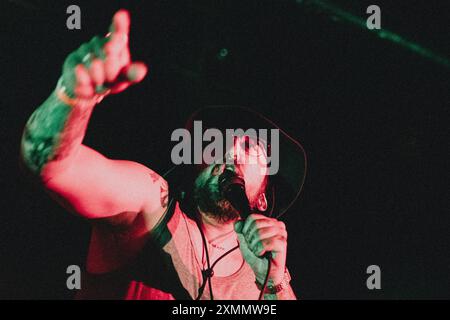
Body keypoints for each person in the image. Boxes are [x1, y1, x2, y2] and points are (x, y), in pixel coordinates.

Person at [20, 10, 305, 300]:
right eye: (223, 142)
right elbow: (51, 166)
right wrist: (72, 95)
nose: (232, 150)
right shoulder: (152, 203)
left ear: (263, 199)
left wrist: (273, 283)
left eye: (251, 148)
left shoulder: (265, 277)